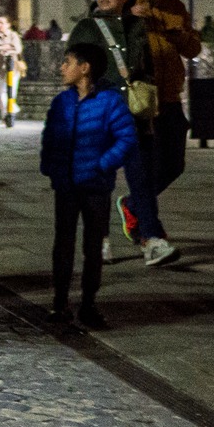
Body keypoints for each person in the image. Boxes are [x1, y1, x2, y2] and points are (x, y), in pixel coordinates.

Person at [68, 0, 175, 266]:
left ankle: (152, 240)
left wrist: (148, 107)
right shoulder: (86, 28)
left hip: (134, 119)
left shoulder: (137, 26)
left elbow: (147, 69)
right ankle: (99, 240)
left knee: (142, 181)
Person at [40, 41, 138, 330]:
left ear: (85, 68)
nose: (62, 67)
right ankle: (59, 303)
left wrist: (102, 164)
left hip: (95, 187)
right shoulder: (62, 102)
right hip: (66, 186)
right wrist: (51, 168)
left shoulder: (109, 102)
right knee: (63, 245)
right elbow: (51, 138)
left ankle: (88, 304)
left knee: (93, 247)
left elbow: (126, 139)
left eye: (67, 62)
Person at [136, 0, 200, 205]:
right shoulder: (129, 5)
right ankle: (142, 216)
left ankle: (134, 204)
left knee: (174, 164)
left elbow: (194, 49)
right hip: (142, 96)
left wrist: (180, 36)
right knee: (146, 161)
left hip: (170, 96)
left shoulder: (176, 7)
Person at [0, 15, 24, 128]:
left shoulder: (13, 35)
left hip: (13, 68)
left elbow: (17, 49)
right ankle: (6, 115)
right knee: (1, 94)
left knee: (12, 93)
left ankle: (9, 114)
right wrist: (3, 47)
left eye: (2, 23)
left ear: (8, 24)